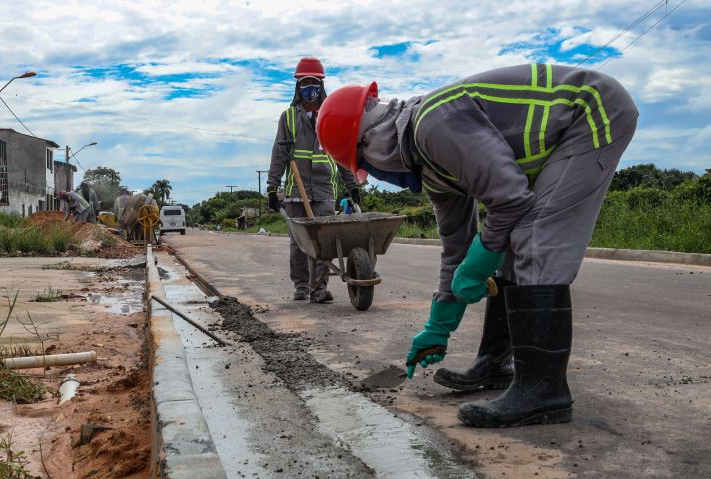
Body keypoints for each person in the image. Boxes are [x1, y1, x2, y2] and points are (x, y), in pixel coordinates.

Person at [317, 64, 638, 427]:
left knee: (534, 237)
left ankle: (544, 390)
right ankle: (495, 364)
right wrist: (439, 324)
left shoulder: (433, 124)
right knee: (511, 246)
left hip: (592, 112)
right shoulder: (432, 168)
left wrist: (477, 264)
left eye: (367, 166)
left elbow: (511, 201)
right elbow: (456, 245)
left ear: (370, 141)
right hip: (571, 125)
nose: (378, 175)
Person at [267, 56, 361, 303]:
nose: (311, 88)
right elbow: (278, 154)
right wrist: (271, 187)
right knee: (299, 243)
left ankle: (318, 289)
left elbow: (340, 153)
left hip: (324, 190)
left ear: (321, 85)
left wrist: (352, 186)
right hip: (295, 189)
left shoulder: (329, 115)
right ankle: (300, 286)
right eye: (306, 83)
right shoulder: (288, 117)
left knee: (323, 242)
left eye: (315, 83)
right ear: (298, 86)